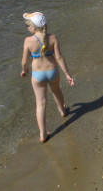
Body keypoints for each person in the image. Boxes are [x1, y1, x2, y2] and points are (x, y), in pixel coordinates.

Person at [19, 12, 74, 142]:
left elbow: (24, 61)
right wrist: (67, 74)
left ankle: (43, 134)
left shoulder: (28, 41)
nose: (27, 27)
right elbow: (59, 57)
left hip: (38, 75)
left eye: (27, 25)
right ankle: (63, 111)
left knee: (41, 103)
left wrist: (25, 70)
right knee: (56, 90)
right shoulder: (53, 38)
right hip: (52, 72)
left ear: (33, 27)